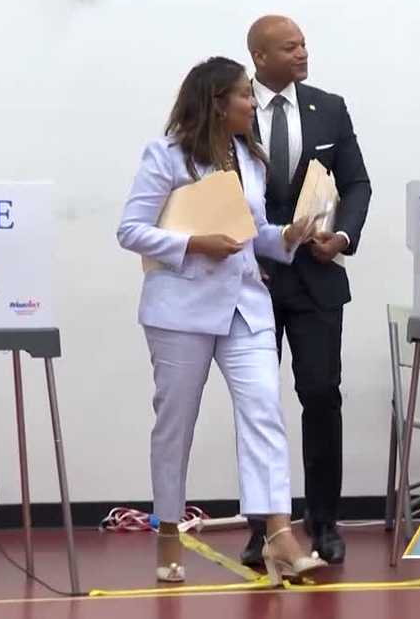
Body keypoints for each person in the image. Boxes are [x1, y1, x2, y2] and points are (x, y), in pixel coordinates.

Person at [116, 56, 324, 586]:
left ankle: (279, 532)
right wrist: (192, 244)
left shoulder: (249, 159)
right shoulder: (165, 156)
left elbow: (254, 233)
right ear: (216, 102)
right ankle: (168, 530)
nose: (254, 104)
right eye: (244, 96)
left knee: (263, 411)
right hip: (179, 309)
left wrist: (289, 237)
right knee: (175, 424)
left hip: (245, 306)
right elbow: (131, 230)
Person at [239, 15, 372, 566]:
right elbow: (215, 188)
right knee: (257, 407)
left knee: (320, 396)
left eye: (304, 45)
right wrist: (247, 252)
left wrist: (341, 236)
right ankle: (264, 528)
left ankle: (323, 520)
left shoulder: (329, 107)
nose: (302, 54)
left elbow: (358, 182)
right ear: (260, 55)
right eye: (289, 47)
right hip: (251, 284)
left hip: (316, 281)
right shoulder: (233, 106)